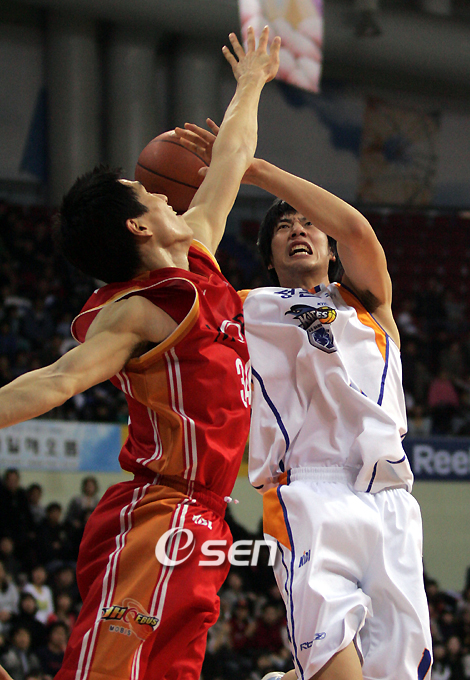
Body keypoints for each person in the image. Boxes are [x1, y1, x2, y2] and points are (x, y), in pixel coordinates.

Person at [0, 27, 280, 680]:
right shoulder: (136, 309)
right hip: (160, 509)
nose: (161, 192)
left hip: (206, 516)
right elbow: (58, 380)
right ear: (139, 224)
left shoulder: (198, 253)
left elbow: (232, 156)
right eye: (148, 191)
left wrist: (251, 83)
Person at [176, 123, 432, 679]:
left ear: (330, 248)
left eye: (308, 222)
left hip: (391, 498)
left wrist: (256, 170)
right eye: (283, 226)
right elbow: (184, 268)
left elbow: (358, 231)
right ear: (268, 256)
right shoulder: (244, 307)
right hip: (307, 494)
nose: (297, 229)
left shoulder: (368, 303)